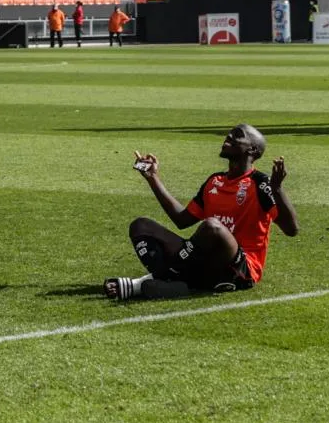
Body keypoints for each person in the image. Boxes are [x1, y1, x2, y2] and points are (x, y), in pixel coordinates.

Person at [104, 124, 299, 301]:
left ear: (252, 150)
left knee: (212, 227)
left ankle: (149, 282)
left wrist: (277, 189)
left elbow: (291, 229)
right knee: (141, 226)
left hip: (241, 268)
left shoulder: (261, 184)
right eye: (230, 132)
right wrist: (153, 178)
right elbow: (182, 219)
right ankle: (182, 284)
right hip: (202, 259)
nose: (229, 135)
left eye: (237, 135)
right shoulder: (214, 180)